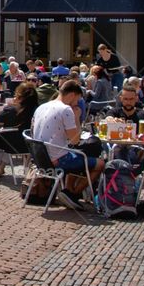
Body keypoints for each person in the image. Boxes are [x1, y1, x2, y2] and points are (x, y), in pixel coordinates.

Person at [31, 79, 105, 210]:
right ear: (71, 95)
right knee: (100, 164)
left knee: (75, 154)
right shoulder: (66, 110)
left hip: (40, 158)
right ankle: (72, 194)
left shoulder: (41, 107)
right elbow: (75, 140)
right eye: (77, 100)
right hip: (56, 160)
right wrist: (76, 117)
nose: (77, 103)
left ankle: (68, 191)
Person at [0, 82, 38, 176]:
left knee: (0, 137)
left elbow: (0, 117)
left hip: (14, 143)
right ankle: (0, 166)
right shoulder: (37, 109)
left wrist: (7, 106)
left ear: (21, 97)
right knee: (5, 136)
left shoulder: (14, 110)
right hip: (31, 143)